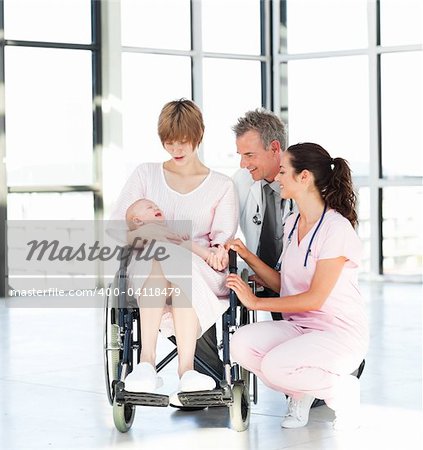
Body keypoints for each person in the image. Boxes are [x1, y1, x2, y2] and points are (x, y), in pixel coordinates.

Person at [226, 143, 369, 430]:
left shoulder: (336, 229)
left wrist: (256, 303)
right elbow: (286, 285)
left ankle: (340, 391)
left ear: (304, 177)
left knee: (275, 366)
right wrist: (246, 255)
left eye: (282, 172)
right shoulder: (293, 223)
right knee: (240, 345)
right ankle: (301, 391)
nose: (277, 178)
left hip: (338, 333)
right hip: (300, 327)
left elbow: (314, 298)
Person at [109, 99, 238, 395]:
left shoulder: (221, 185)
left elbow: (221, 242)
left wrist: (218, 251)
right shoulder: (145, 174)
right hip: (149, 267)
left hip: (200, 270)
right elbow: (118, 228)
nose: (176, 150)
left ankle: (185, 370)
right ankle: (147, 364)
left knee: (176, 263)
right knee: (160, 258)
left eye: (183, 142)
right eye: (169, 143)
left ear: (199, 136)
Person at [231, 108, 293, 321]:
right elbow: (222, 222)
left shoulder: (303, 183)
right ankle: (205, 356)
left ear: (274, 148)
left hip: (295, 283)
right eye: (241, 156)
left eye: (249, 155)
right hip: (257, 276)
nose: (243, 164)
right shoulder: (242, 180)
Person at [126, 198, 229, 270]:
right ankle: (210, 256)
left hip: (172, 254)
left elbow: (172, 237)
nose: (156, 208)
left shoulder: (161, 228)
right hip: (162, 256)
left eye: (156, 206)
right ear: (138, 221)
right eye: (149, 207)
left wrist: (180, 236)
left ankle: (212, 253)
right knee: (188, 245)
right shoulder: (147, 230)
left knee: (188, 245)